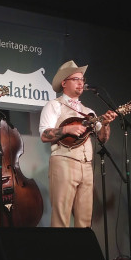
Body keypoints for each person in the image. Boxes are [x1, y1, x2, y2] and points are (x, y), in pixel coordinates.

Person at [39, 60, 117, 227]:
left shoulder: (89, 112)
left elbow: (102, 139)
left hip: (86, 166)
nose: (81, 83)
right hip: (63, 161)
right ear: (64, 83)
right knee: (61, 217)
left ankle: (81, 253)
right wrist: (67, 130)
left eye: (82, 79)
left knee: (84, 220)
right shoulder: (54, 105)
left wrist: (106, 124)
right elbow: (45, 135)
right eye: (76, 79)